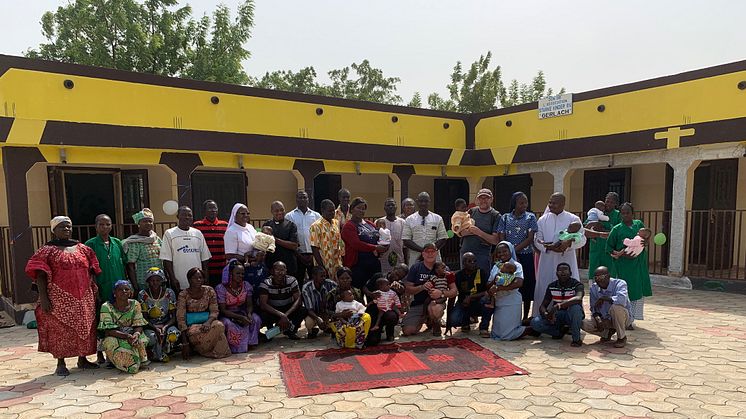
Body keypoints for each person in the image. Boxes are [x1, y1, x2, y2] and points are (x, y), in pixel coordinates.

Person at [25, 216, 101, 376]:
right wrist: (44, 298)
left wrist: (94, 291)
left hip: (84, 296)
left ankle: (83, 359)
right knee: (60, 330)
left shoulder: (82, 248)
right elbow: (39, 275)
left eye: (68, 227)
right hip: (58, 297)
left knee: (84, 327)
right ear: (54, 230)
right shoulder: (47, 251)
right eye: (62, 227)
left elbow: (92, 270)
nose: (66, 230)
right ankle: (61, 362)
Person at [533, 193, 586, 316]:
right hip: (547, 259)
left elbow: (582, 239)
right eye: (550, 202)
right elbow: (537, 239)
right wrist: (548, 248)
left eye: (554, 203)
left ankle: (569, 319)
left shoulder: (573, 219)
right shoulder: (542, 220)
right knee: (544, 286)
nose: (551, 205)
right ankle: (541, 316)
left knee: (567, 288)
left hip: (566, 259)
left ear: (563, 204)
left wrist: (568, 245)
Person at [85, 214, 127, 364]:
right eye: (101, 225)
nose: (105, 227)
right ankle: (99, 353)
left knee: (118, 319)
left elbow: (125, 264)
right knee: (101, 321)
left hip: (119, 289)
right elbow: (88, 270)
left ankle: (115, 352)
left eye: (108, 224)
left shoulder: (117, 243)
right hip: (101, 288)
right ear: (96, 226)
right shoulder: (90, 245)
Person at [496, 192, 539, 323]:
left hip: (525, 256)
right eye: (521, 203)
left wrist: (513, 251)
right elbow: (501, 236)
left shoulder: (530, 217)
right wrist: (507, 252)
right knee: (509, 283)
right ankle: (510, 315)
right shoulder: (504, 218)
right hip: (507, 257)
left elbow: (530, 238)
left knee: (526, 286)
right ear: (514, 203)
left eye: (526, 202)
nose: (524, 205)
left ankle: (525, 317)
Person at [607, 202, 653, 322]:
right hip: (624, 266)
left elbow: (646, 237)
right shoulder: (616, 229)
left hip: (639, 264)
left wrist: (646, 242)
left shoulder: (639, 225)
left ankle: (634, 317)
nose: (625, 215)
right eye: (623, 213)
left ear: (633, 213)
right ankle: (625, 318)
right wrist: (620, 255)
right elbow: (609, 248)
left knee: (638, 289)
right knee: (627, 290)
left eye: (628, 213)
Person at [402, 243, 457, 337]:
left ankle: (434, 321)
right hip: (419, 304)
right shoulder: (416, 268)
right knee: (408, 331)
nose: (430, 254)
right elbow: (407, 289)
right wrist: (422, 287)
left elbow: (454, 291)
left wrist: (442, 293)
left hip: (437, 302)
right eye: (427, 251)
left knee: (435, 308)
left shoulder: (443, 268)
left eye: (433, 251)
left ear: (436, 253)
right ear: (423, 254)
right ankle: (426, 319)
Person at [176, 268, 231, 359]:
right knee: (211, 332)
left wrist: (208, 322)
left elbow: (214, 310)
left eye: (200, 278)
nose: (198, 280)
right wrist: (185, 342)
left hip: (208, 323)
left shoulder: (209, 290)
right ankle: (203, 350)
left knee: (219, 325)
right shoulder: (183, 294)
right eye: (195, 278)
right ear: (189, 280)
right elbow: (180, 317)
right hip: (192, 326)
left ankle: (207, 350)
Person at [99, 280, 150, 373]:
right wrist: (126, 336)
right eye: (120, 290)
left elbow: (139, 323)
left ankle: (138, 359)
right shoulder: (106, 307)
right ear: (114, 293)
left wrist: (136, 334)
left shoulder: (135, 304)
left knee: (141, 339)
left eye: (127, 289)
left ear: (130, 292)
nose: (124, 292)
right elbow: (109, 330)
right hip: (115, 336)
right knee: (131, 366)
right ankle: (117, 360)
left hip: (131, 335)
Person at [530, 263, 585, 347]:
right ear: (556, 273)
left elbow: (578, 298)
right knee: (535, 323)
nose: (562, 272)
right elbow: (543, 306)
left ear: (570, 273)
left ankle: (576, 339)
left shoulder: (577, 285)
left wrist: (558, 306)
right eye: (560, 271)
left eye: (565, 270)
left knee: (576, 308)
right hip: (557, 316)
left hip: (571, 316)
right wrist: (546, 315)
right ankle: (559, 332)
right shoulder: (552, 286)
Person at [486, 242, 531, 340]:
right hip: (499, 301)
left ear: (510, 251)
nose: (502, 254)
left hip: (511, 301)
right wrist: (495, 281)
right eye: (499, 252)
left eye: (505, 251)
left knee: (507, 335)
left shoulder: (516, 265)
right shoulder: (496, 266)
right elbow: (488, 284)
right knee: (496, 334)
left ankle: (532, 329)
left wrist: (499, 288)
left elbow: (519, 283)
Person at [160, 206, 211, 293]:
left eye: (189, 215)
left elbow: (204, 259)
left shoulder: (198, 233)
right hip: (179, 281)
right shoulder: (170, 233)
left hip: (197, 281)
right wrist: (172, 278)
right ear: (178, 216)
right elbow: (167, 260)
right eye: (184, 215)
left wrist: (205, 277)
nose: (187, 217)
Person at [341, 197, 387, 290]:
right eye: (359, 208)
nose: (361, 211)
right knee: (359, 291)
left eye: (363, 209)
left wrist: (384, 245)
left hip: (373, 263)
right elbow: (356, 244)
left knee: (376, 290)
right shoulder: (348, 226)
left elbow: (380, 236)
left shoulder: (369, 224)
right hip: (358, 265)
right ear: (352, 209)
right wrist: (375, 247)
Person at [216, 260, 261, 353]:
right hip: (228, 314)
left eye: (242, 274)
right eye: (238, 273)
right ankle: (235, 347)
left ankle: (250, 343)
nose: (241, 276)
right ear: (230, 274)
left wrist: (248, 314)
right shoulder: (221, 288)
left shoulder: (246, 286)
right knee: (228, 324)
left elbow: (249, 304)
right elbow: (223, 310)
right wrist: (240, 317)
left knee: (255, 319)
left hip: (242, 311)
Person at [582, 266, 632, 348]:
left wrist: (605, 298)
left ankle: (621, 337)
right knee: (583, 324)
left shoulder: (620, 283)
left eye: (601, 277)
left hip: (622, 319)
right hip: (605, 319)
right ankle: (607, 333)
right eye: (596, 278)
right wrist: (599, 321)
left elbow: (622, 300)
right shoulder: (594, 288)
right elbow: (593, 308)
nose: (599, 280)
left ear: (608, 276)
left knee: (616, 308)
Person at [138, 268, 179, 362]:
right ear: (148, 281)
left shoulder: (169, 293)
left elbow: (173, 316)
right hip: (150, 326)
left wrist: (165, 327)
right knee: (152, 337)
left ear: (162, 281)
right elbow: (144, 318)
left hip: (166, 323)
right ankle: (154, 352)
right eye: (152, 280)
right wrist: (155, 328)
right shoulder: (142, 294)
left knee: (173, 335)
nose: (155, 283)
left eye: (157, 280)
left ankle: (165, 349)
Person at [257, 261, 307, 340]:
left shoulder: (292, 280)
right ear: (272, 271)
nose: (280, 273)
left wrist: (285, 315)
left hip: (288, 309)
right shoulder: (266, 283)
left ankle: (291, 330)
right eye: (277, 270)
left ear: (286, 271)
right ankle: (270, 331)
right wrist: (281, 315)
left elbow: (298, 300)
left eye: (282, 270)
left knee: (303, 310)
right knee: (263, 314)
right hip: (273, 310)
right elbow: (263, 304)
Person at [459, 188, 501, 279]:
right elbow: (460, 232)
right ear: (477, 199)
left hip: (482, 255)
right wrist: (470, 231)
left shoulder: (495, 215)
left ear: (491, 199)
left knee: (481, 282)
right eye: (481, 198)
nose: (483, 200)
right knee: (465, 282)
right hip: (466, 253)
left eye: (486, 198)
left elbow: (495, 240)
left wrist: (479, 232)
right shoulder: (471, 211)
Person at [327, 267, 371, 349]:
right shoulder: (332, 293)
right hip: (339, 319)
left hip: (355, 318)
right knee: (345, 330)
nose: (345, 280)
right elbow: (328, 312)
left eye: (347, 278)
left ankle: (358, 340)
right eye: (342, 278)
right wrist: (341, 314)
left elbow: (361, 307)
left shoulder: (357, 292)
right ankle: (345, 338)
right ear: (338, 279)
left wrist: (356, 315)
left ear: (351, 279)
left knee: (367, 317)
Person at [402, 192, 449, 266]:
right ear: (417, 202)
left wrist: (429, 251)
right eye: (421, 201)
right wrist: (423, 251)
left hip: (434, 258)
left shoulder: (437, 218)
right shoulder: (409, 219)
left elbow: (443, 238)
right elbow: (406, 240)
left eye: (426, 201)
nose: (423, 203)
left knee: (435, 276)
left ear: (429, 202)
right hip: (415, 258)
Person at [123, 208, 163, 293]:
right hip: (143, 283)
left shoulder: (156, 239)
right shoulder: (134, 242)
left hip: (159, 281)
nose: (148, 223)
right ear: (138, 224)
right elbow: (131, 267)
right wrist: (135, 286)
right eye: (144, 221)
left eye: (150, 221)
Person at [449, 252, 489, 333]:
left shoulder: (482, 272)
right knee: (454, 320)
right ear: (463, 263)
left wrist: (471, 297)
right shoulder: (458, 275)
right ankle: (466, 321)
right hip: (464, 303)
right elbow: (452, 295)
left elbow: (487, 291)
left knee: (487, 301)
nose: (473, 263)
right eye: (469, 261)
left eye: (474, 261)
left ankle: (483, 327)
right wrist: (448, 322)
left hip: (479, 301)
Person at [285, 191, 321, 283]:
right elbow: (288, 237)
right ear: (296, 200)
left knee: (315, 280)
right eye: (300, 198)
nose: (302, 199)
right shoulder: (289, 216)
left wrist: (313, 254)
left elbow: (320, 236)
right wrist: (299, 255)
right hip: (298, 255)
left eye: (304, 197)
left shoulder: (316, 216)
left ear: (308, 200)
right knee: (298, 280)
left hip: (314, 255)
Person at [585, 192, 622, 279]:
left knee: (609, 275)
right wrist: (593, 225)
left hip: (609, 251)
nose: (608, 204)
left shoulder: (618, 215)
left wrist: (602, 230)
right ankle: (593, 291)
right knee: (594, 274)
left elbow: (619, 233)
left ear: (616, 204)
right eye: (607, 201)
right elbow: (585, 229)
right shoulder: (597, 212)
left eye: (612, 202)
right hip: (595, 249)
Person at [193, 200, 229, 287]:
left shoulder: (225, 225)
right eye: (210, 208)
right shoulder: (197, 226)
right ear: (204, 211)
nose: (213, 210)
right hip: (205, 270)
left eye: (215, 208)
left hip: (222, 269)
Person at [309, 199, 345, 280]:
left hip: (337, 263)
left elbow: (340, 242)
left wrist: (342, 258)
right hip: (324, 265)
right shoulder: (316, 226)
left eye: (333, 211)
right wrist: (322, 268)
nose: (332, 213)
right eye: (329, 211)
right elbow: (314, 248)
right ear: (323, 211)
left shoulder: (336, 223)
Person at [263, 201, 299, 278]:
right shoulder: (267, 225)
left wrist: (274, 239)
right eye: (276, 211)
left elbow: (294, 245)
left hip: (288, 265)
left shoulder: (291, 225)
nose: (280, 212)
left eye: (282, 210)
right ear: (271, 212)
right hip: (271, 266)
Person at [301, 266, 337, 339]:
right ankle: (312, 330)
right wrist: (318, 319)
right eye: (321, 276)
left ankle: (326, 326)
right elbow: (309, 309)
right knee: (309, 323)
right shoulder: (306, 288)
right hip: (314, 313)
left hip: (327, 312)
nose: (324, 278)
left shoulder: (331, 284)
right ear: (314, 276)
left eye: (325, 276)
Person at [376, 198, 407, 274]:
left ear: (396, 207)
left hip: (399, 259)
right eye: (388, 205)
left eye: (392, 205)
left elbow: (405, 244)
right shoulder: (379, 222)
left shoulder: (402, 222)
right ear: (384, 208)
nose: (390, 207)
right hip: (383, 260)